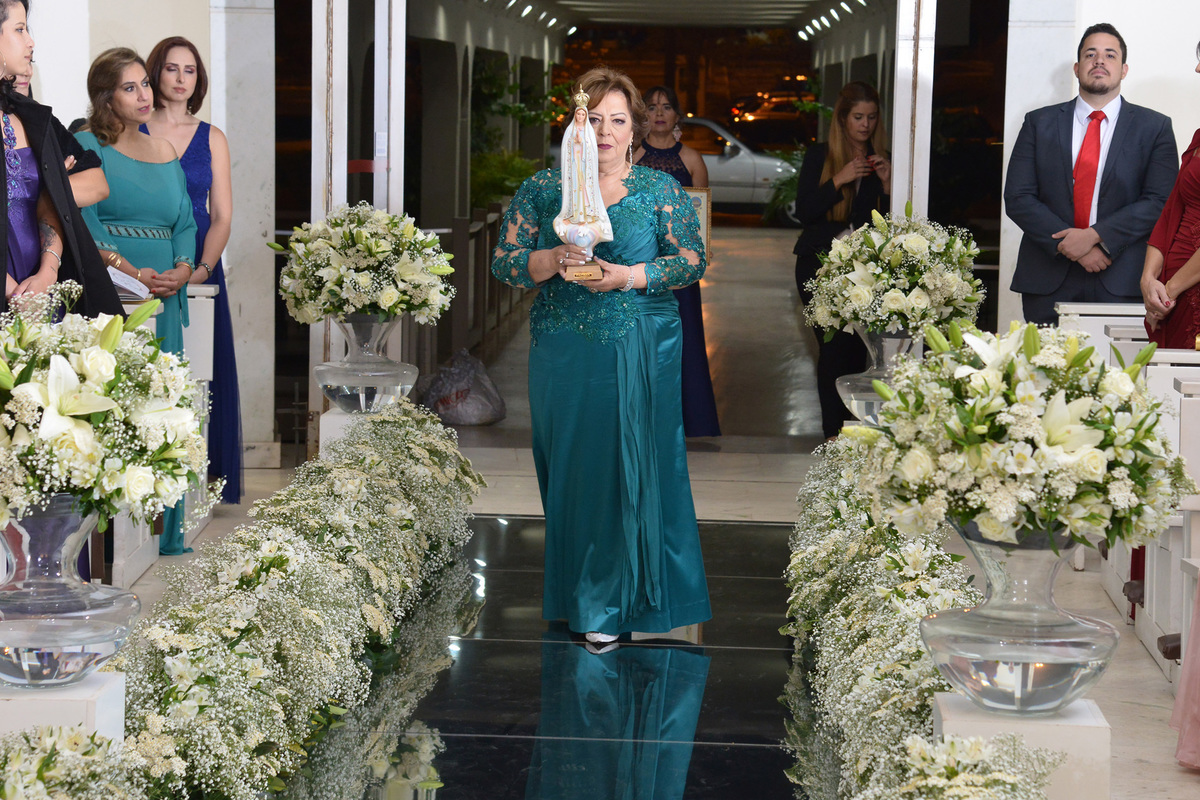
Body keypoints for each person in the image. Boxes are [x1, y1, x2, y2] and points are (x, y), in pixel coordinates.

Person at [492, 66, 712, 645]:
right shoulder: (543, 189)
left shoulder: (659, 191)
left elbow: (692, 261)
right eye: (595, 119)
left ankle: (612, 606)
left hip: (639, 344)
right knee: (572, 470)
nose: (606, 131)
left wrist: (629, 275)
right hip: (563, 347)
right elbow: (506, 263)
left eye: (618, 120)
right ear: (576, 124)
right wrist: (553, 258)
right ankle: (583, 592)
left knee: (631, 467)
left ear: (634, 129)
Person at [75, 47, 198, 555]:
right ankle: (115, 542)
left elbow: (187, 223)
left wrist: (183, 270)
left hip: (166, 293)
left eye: (145, 84)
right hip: (116, 295)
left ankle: (165, 530)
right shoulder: (88, 144)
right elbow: (85, 221)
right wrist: (133, 274)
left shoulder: (166, 151)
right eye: (130, 87)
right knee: (122, 405)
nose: (145, 94)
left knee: (165, 408)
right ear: (106, 97)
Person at [1006, 22, 1178, 326]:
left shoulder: (1155, 128)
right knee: (1042, 370)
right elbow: (1018, 197)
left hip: (1122, 277)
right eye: (1090, 54)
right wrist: (1067, 245)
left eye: (1110, 55)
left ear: (1124, 69)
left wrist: (1096, 237)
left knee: (1120, 372)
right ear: (1076, 67)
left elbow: (1160, 201)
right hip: (1047, 278)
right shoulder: (1038, 123)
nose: (1099, 61)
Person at [142, 36, 242, 505]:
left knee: (203, 370)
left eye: (190, 71)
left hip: (202, 263)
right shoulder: (132, 131)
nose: (181, 79)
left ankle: (204, 481)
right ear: (154, 74)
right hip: (145, 256)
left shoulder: (212, 136)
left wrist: (202, 269)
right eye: (171, 69)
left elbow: (221, 215)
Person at [0, 0, 121, 316]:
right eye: (20, 29)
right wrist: (15, 293)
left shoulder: (31, 118)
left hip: (42, 286)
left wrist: (46, 274)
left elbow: (88, 184)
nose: (30, 42)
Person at [792, 81, 891, 440]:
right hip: (818, 266)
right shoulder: (821, 156)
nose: (865, 125)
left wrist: (888, 184)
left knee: (859, 350)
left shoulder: (883, 159)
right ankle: (832, 432)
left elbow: (891, 223)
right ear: (843, 119)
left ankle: (854, 430)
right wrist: (840, 178)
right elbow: (804, 211)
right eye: (858, 117)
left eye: (872, 117)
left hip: (864, 271)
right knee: (832, 347)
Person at [635, 85, 720, 438]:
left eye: (666, 107)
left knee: (684, 339)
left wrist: (700, 252)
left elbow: (701, 217)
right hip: (638, 264)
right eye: (652, 107)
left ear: (676, 116)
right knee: (641, 340)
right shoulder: (632, 156)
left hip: (680, 268)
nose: (658, 113)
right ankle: (639, 418)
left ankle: (691, 420)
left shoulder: (692, 159)